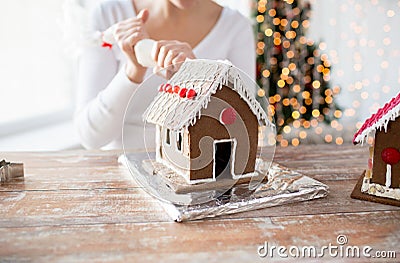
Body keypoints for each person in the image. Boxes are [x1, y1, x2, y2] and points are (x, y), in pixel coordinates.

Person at [75, 0, 256, 150]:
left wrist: (198, 81)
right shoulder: (109, 15)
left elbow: (242, 131)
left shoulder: (235, 27)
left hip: (198, 181)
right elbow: (90, 137)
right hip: (118, 179)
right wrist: (133, 71)